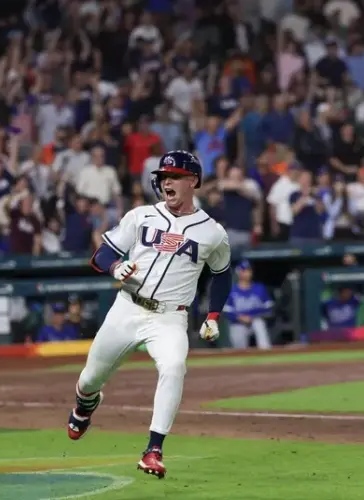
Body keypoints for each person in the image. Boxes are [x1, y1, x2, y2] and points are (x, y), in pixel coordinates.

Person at [66, 150, 232, 479]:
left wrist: (212, 315)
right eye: (163, 176)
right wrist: (115, 266)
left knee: (174, 366)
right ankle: (86, 403)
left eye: (174, 176)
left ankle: (153, 450)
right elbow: (102, 254)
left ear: (193, 181)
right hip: (127, 308)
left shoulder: (212, 232)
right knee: (89, 379)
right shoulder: (141, 216)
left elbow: (222, 273)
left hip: (170, 318)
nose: (166, 181)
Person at [223, 260, 274, 350]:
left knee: (259, 323)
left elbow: (269, 308)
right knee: (239, 345)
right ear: (238, 273)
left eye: (248, 270)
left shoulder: (259, 288)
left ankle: (265, 351)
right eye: (243, 270)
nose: (246, 273)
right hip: (238, 323)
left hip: (255, 320)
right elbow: (227, 312)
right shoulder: (231, 290)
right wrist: (240, 317)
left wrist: (253, 316)